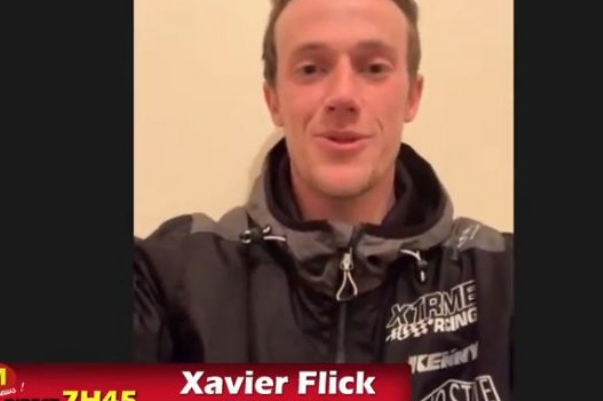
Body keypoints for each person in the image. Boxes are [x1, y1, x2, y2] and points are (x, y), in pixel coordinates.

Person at [133, 0, 513, 400]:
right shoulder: (167, 277)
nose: (343, 95)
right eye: (311, 69)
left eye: (374, 68)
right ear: (273, 100)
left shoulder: (501, 281)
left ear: (412, 97)